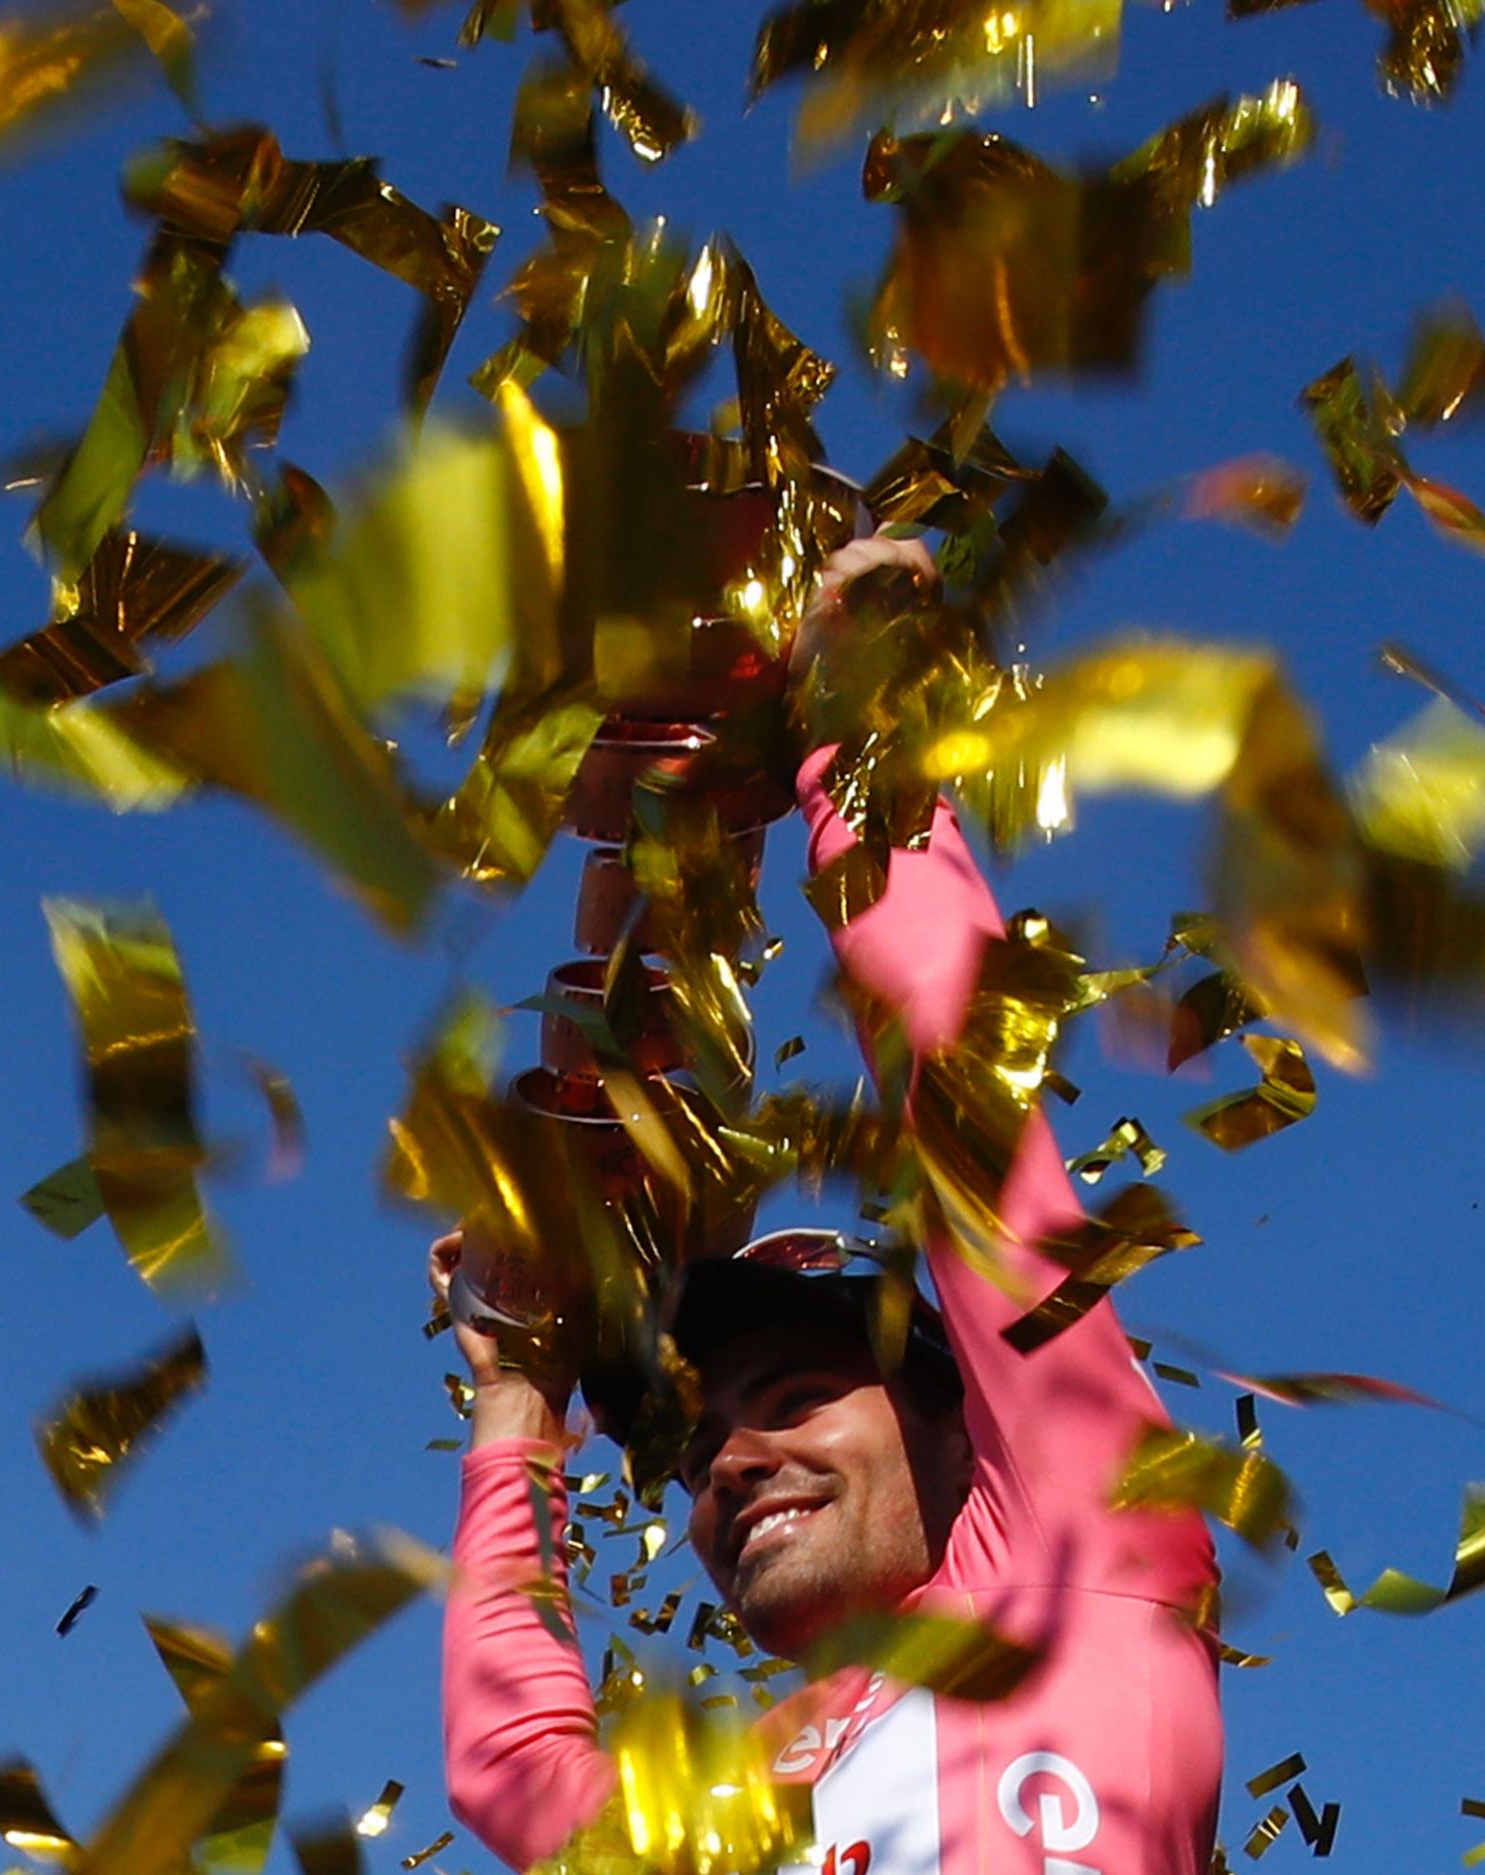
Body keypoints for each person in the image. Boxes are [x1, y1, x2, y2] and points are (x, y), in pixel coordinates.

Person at [432, 538, 1222, 1875]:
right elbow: (512, 1769)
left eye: (796, 1394)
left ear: (963, 1424)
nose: (726, 1462)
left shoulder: (1091, 1568)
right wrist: (521, 1394)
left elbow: (971, 1128)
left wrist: (848, 758)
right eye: (696, 1452)